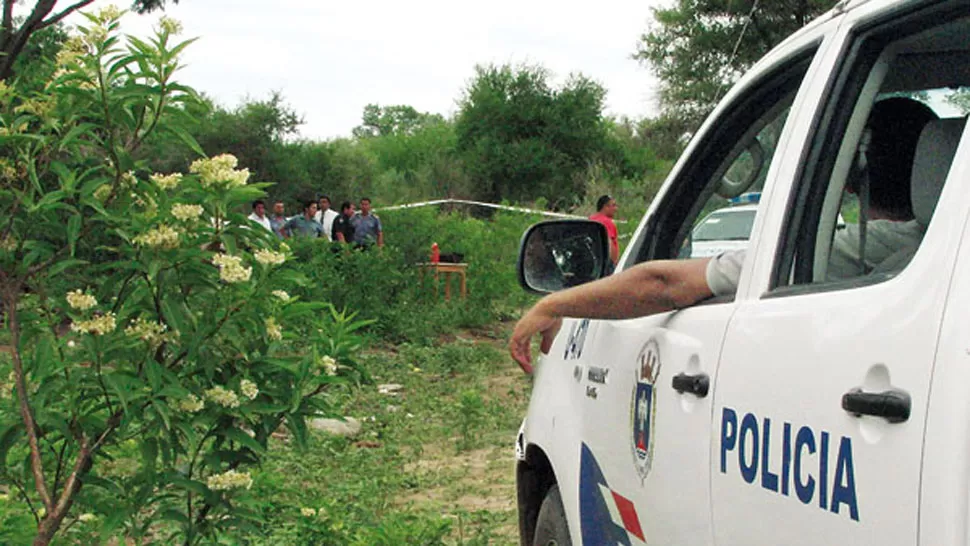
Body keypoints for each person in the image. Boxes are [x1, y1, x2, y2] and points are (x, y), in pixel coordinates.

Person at [510, 97, 937, 373]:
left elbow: (662, 284)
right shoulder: (938, 252)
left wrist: (553, 302)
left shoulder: (852, 253)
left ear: (850, 177)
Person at [589, 195, 619, 272]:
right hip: (607, 265)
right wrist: (614, 264)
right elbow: (609, 242)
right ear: (605, 207)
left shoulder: (591, 220)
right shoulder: (606, 222)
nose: (616, 209)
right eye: (613, 206)